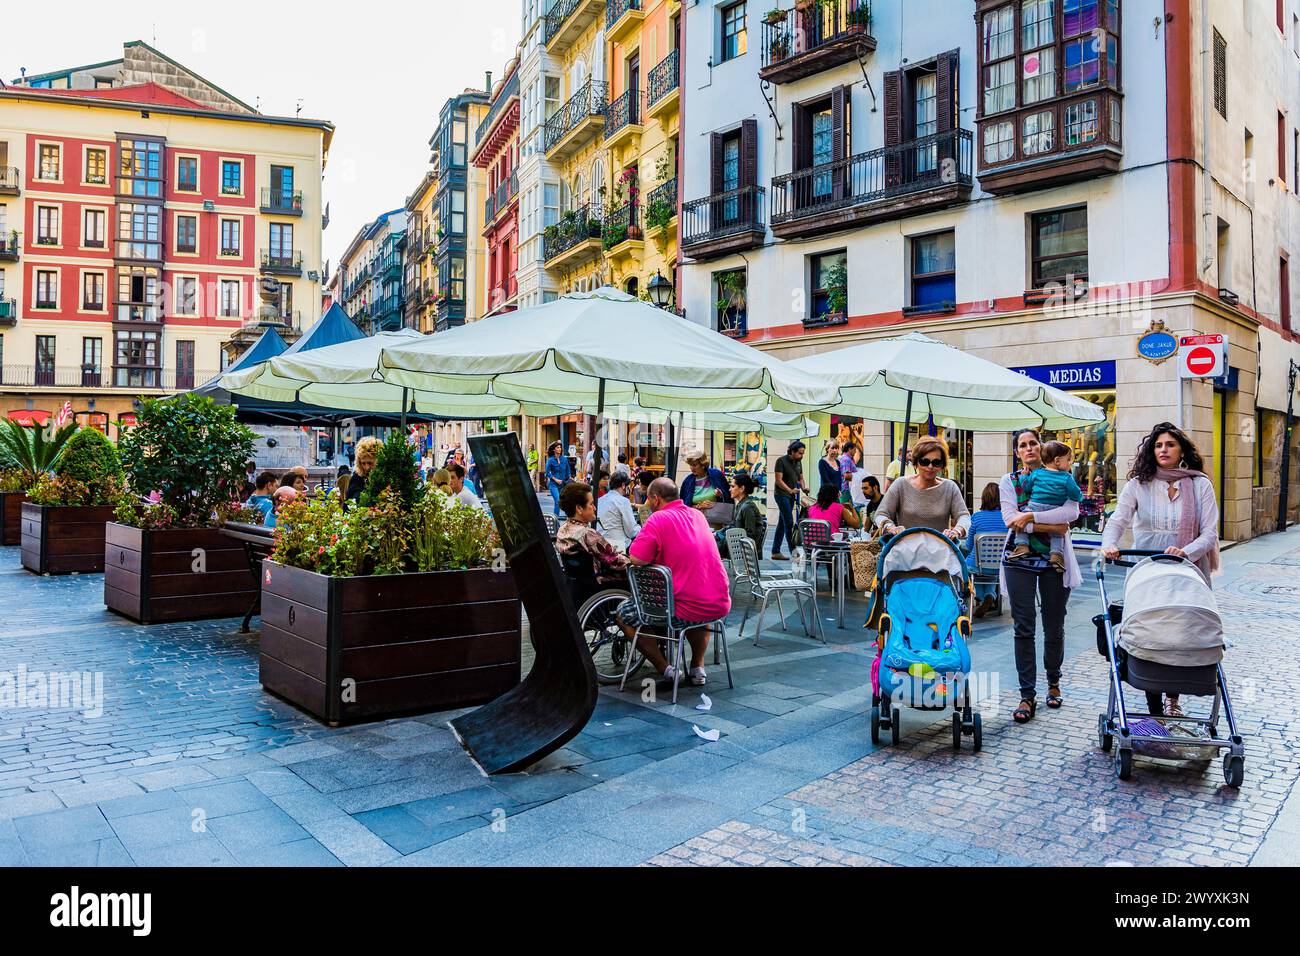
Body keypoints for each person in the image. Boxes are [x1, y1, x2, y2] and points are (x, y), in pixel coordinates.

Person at [1102, 422, 1220, 720]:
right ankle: (1155, 703)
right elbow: (1119, 520)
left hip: (1188, 568)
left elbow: (1209, 533)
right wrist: (1109, 544)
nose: (1163, 450)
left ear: (1182, 450)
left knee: (1179, 632)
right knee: (1151, 631)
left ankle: (1173, 699)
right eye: (1158, 445)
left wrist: (1185, 552)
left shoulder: (1199, 484)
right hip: (1148, 567)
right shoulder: (1138, 485)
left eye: (1169, 445)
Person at [1000, 428, 1081, 724]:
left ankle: (1054, 682)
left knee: (1054, 624)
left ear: (1042, 447)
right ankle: (1027, 694)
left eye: (1033, 442)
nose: (1029, 448)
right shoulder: (1008, 482)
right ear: (1017, 452)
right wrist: (1052, 526)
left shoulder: (1062, 475)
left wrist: (1031, 518)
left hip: (1055, 561)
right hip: (1018, 559)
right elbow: (1010, 519)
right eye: (1023, 445)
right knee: (1024, 627)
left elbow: (1071, 513)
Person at [619, 478, 731, 689]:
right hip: (718, 604)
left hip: (682, 609)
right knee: (697, 605)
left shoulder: (658, 518)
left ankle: (667, 669)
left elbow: (637, 559)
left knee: (624, 614)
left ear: (655, 498)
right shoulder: (697, 515)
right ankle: (698, 667)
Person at [874, 437, 970, 542]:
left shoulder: (949, 487)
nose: (930, 466)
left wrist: (957, 531)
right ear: (916, 462)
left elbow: (964, 516)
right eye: (924, 462)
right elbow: (880, 514)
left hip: (940, 551)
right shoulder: (901, 485)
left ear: (942, 465)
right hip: (905, 551)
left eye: (936, 462)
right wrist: (890, 527)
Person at [1008, 440, 1084, 572]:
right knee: (1056, 533)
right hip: (1055, 509)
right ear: (1057, 461)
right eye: (1068, 460)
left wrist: (1024, 477)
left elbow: (1026, 487)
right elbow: (1075, 494)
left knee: (1021, 522)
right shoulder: (1067, 477)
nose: (1070, 463)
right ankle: (1056, 554)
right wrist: (1080, 497)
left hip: (1035, 506)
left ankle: (1022, 545)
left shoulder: (1037, 473)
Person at [555, 482, 629, 586]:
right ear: (579, 509)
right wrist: (633, 561)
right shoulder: (588, 534)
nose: (594, 508)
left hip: (576, 584)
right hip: (597, 585)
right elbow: (614, 560)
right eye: (591, 504)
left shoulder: (562, 529)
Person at [965, 482, 1009, 617]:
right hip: (1000, 565)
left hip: (979, 565)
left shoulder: (977, 517)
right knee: (991, 565)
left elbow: (968, 545)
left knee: (969, 566)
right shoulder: (1007, 517)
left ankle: (980, 595)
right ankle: (990, 594)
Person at [772, 440, 808, 561]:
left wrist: (804, 487)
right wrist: (790, 490)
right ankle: (794, 553)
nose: (801, 456)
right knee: (789, 522)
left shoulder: (798, 463)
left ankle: (775, 551)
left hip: (790, 495)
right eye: (800, 453)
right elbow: (778, 480)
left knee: (782, 523)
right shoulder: (781, 461)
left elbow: (801, 478)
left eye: (803, 453)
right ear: (792, 451)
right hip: (781, 494)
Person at [717, 471, 764, 557]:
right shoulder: (741, 504)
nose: (729, 489)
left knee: (708, 548)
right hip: (735, 545)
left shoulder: (747, 507)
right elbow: (733, 525)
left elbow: (750, 535)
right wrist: (717, 534)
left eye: (733, 486)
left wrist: (724, 538)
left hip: (743, 550)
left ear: (742, 488)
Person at [597, 471, 641, 551]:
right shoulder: (623, 501)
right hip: (617, 547)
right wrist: (641, 528)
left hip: (600, 544)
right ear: (623, 485)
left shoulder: (600, 500)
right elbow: (631, 531)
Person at [345, 436, 381, 506]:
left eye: (370, 463)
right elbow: (346, 506)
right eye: (363, 463)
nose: (366, 467)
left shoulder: (385, 478)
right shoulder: (356, 478)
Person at [545, 441, 572, 517]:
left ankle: (568, 518)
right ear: (554, 449)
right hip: (553, 485)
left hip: (563, 484)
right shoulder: (550, 460)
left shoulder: (564, 459)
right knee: (557, 501)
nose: (559, 449)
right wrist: (555, 479)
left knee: (564, 501)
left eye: (560, 447)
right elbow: (547, 472)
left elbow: (568, 471)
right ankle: (555, 518)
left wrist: (569, 479)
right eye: (557, 447)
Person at [838, 442, 860, 506]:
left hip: (848, 489)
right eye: (854, 450)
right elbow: (846, 475)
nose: (855, 452)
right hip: (845, 489)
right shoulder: (846, 460)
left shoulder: (848, 459)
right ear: (849, 449)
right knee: (845, 507)